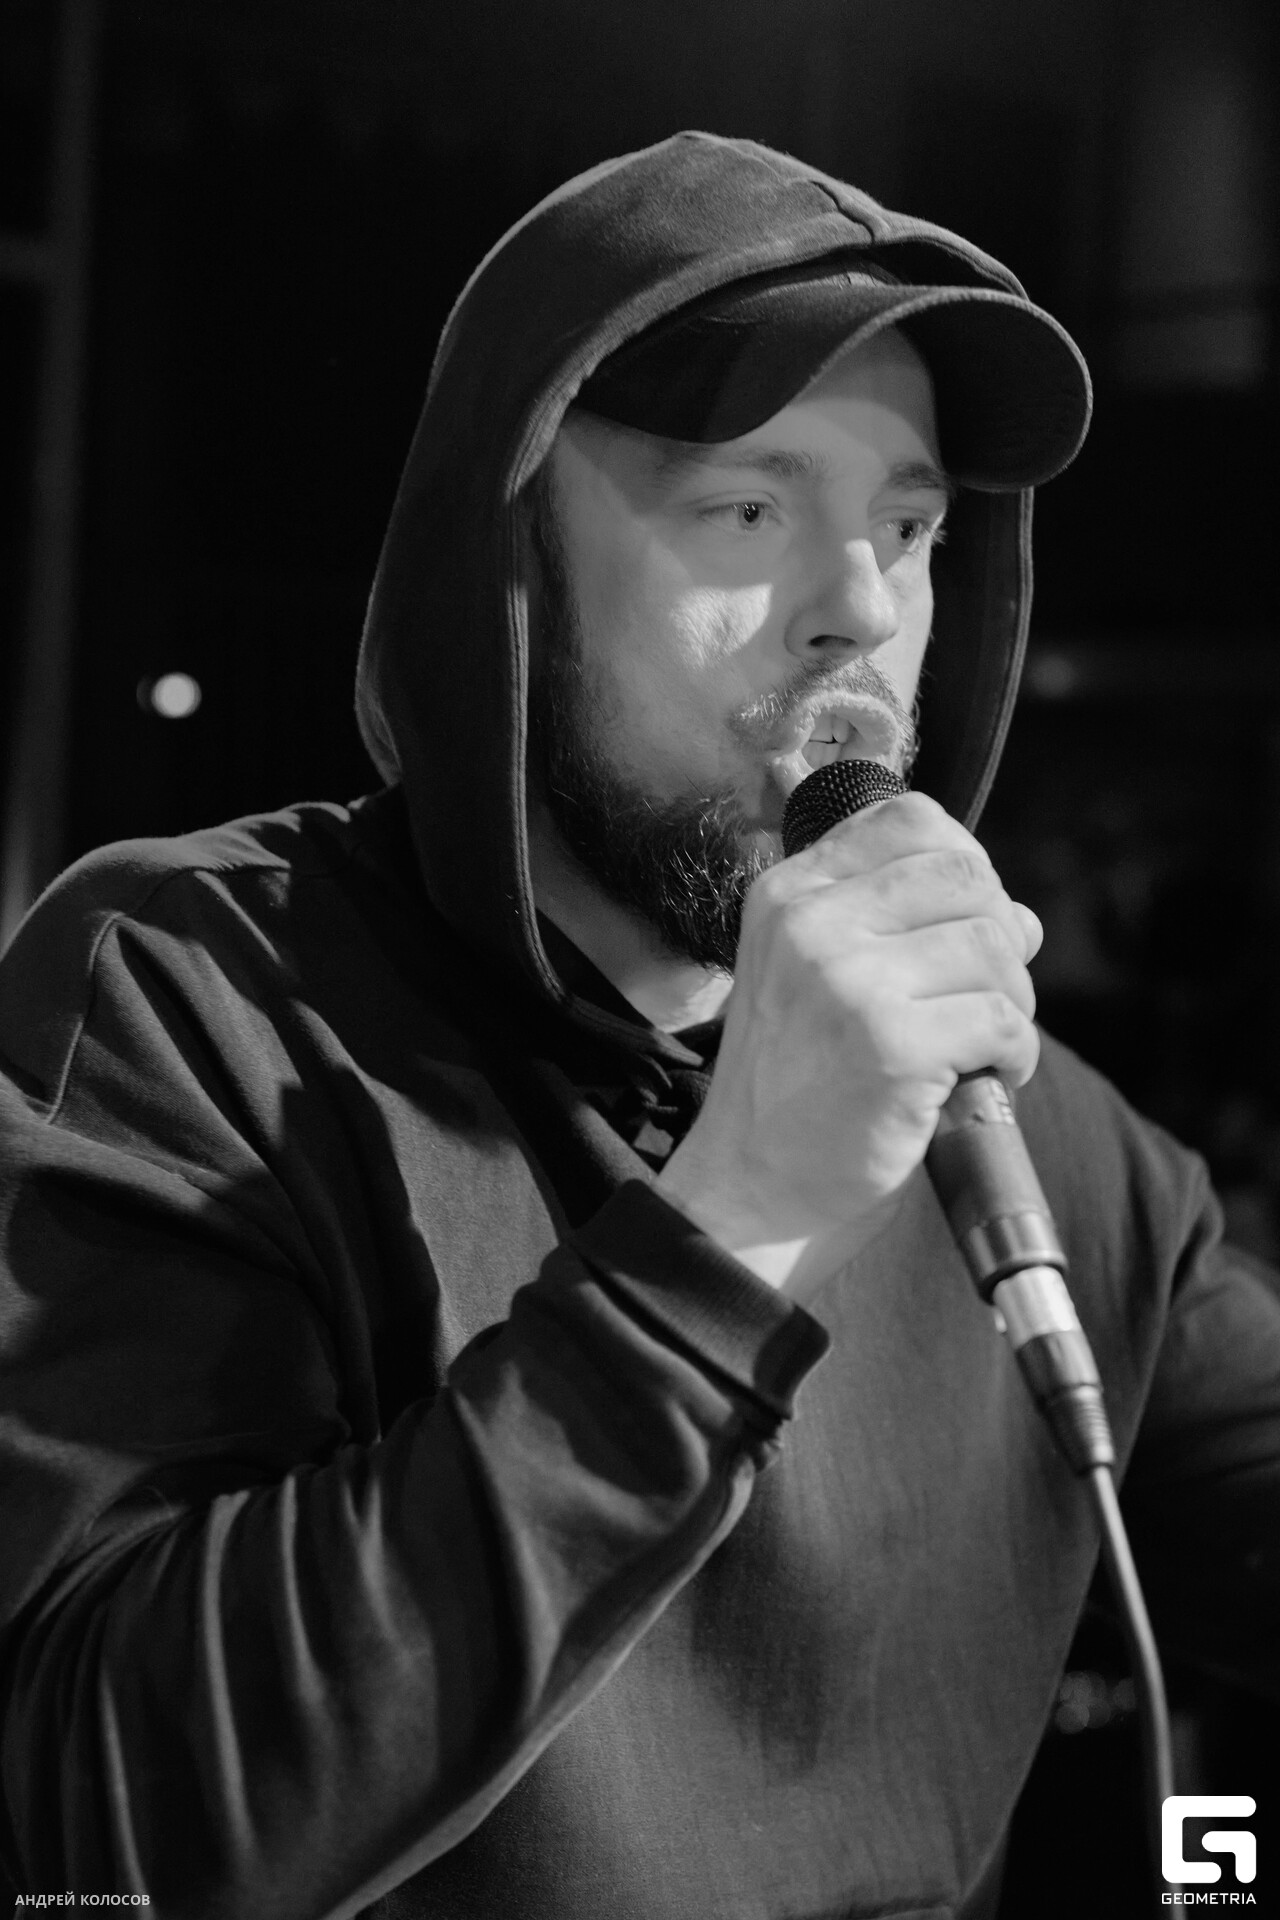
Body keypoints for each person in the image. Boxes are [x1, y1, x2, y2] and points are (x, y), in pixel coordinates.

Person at [0, 129, 1276, 1920]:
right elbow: (101, 1830)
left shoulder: (1032, 1139)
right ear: (509, 570)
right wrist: (738, 1224)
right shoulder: (190, 996)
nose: (860, 611)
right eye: (748, 510)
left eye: (908, 529)